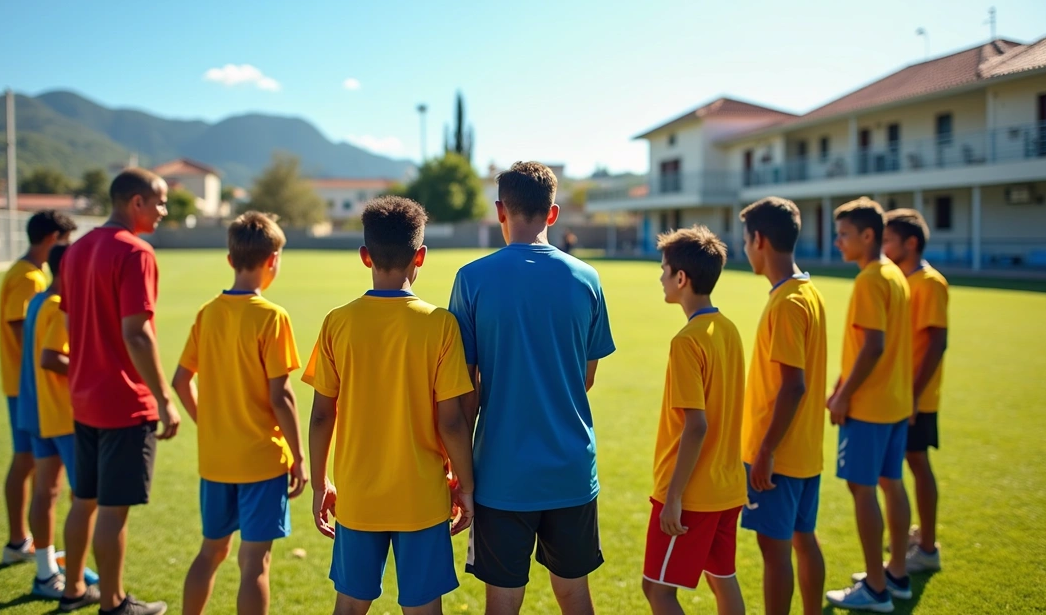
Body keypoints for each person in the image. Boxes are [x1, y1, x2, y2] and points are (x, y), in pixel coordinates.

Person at [449, 161, 615, 615]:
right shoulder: (587, 279)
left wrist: (461, 475)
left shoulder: (472, 279)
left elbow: (466, 391)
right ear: (553, 213)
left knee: (502, 603)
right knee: (575, 595)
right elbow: (587, 376)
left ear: (500, 210)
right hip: (571, 470)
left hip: (501, 474)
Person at [305, 196, 475, 615]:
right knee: (423, 609)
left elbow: (322, 413)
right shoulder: (440, 324)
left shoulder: (337, 322)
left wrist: (319, 483)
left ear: (365, 256)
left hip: (358, 497)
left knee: (349, 606)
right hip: (422, 498)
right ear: (421, 256)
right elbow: (451, 422)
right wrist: (466, 486)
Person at [172, 212, 308, 615]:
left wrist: (209, 424)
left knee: (210, 552)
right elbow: (281, 395)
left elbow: (181, 381)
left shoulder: (207, 313)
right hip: (261, 461)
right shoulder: (272, 317)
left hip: (216, 461)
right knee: (254, 564)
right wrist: (299, 457)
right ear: (274, 260)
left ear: (230, 260)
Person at [60, 168, 180, 615]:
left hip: (84, 397)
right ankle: (112, 603)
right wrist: (164, 399)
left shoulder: (75, 251)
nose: (164, 211)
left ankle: (74, 588)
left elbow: (72, 324)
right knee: (112, 510)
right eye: (160, 202)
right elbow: (137, 334)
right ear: (136, 202)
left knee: (83, 500)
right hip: (123, 402)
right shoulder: (136, 252)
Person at [641, 225, 746, 615]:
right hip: (728, 487)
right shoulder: (729, 330)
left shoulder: (686, 342)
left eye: (664, 269)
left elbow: (696, 425)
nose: (661, 278)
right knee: (723, 579)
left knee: (657, 590)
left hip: (693, 495)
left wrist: (674, 498)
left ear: (681, 278)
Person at [738, 198, 828, 615]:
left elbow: (793, 386)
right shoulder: (808, 293)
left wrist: (766, 451)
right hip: (805, 452)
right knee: (803, 540)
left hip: (778, 458)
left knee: (775, 554)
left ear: (759, 240)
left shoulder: (788, 303)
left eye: (745, 239)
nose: (744, 248)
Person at [825, 197, 913, 613]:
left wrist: (843, 395)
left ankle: (875, 589)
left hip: (870, 407)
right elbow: (874, 344)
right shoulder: (894, 274)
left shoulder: (869, 280)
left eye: (843, 234)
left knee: (862, 490)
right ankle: (895, 572)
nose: (837, 241)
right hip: (896, 402)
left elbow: (873, 346)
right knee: (891, 483)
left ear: (867, 235)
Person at [16, 241, 102, 602]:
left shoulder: (38, 301)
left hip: (38, 412)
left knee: (46, 492)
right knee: (87, 497)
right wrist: (94, 372)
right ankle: (71, 582)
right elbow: (51, 358)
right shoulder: (56, 306)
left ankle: (46, 569)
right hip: (62, 415)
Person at [0, 209, 78, 566]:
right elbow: (27, 335)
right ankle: (21, 542)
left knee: (37, 471)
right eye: (66, 242)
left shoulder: (31, 277)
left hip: (29, 387)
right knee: (33, 468)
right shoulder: (32, 280)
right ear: (52, 239)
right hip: (32, 389)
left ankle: (32, 550)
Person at [882, 208, 948, 574]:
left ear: (910, 242)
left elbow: (937, 342)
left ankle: (926, 547)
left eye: (888, 239)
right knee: (904, 463)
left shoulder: (930, 283)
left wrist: (912, 394)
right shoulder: (902, 280)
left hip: (915, 397)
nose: (883, 246)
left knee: (917, 463)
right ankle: (917, 535)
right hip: (898, 394)